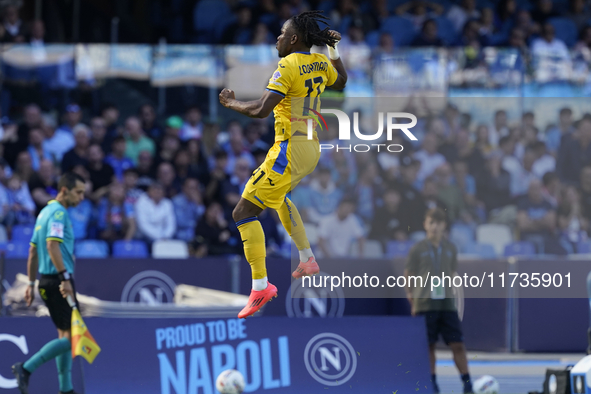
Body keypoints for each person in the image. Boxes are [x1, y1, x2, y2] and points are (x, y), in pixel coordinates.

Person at [218, 10, 347, 318]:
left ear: (293, 39)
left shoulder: (287, 64)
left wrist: (231, 103)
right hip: (311, 148)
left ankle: (260, 286)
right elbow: (341, 82)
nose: (277, 38)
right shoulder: (318, 62)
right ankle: (307, 258)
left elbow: (262, 109)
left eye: (280, 33)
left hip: (288, 149)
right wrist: (334, 50)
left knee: (243, 211)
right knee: (278, 200)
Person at [11, 172, 86, 394]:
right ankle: (25, 368)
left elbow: (33, 251)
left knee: (64, 335)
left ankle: (66, 389)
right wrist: (65, 278)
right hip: (59, 281)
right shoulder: (58, 214)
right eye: (78, 192)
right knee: (76, 336)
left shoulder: (43, 213)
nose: (82, 197)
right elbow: (52, 246)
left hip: (45, 281)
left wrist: (31, 283)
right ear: (64, 190)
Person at [404, 208, 473, 394]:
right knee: (429, 345)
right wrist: (412, 298)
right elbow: (409, 275)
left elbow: (451, 273)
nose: (435, 227)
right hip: (425, 303)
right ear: (425, 225)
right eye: (431, 222)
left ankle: (467, 382)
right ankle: (432, 382)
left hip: (446, 303)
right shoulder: (417, 249)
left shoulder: (451, 248)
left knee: (457, 343)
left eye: (439, 223)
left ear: (444, 226)